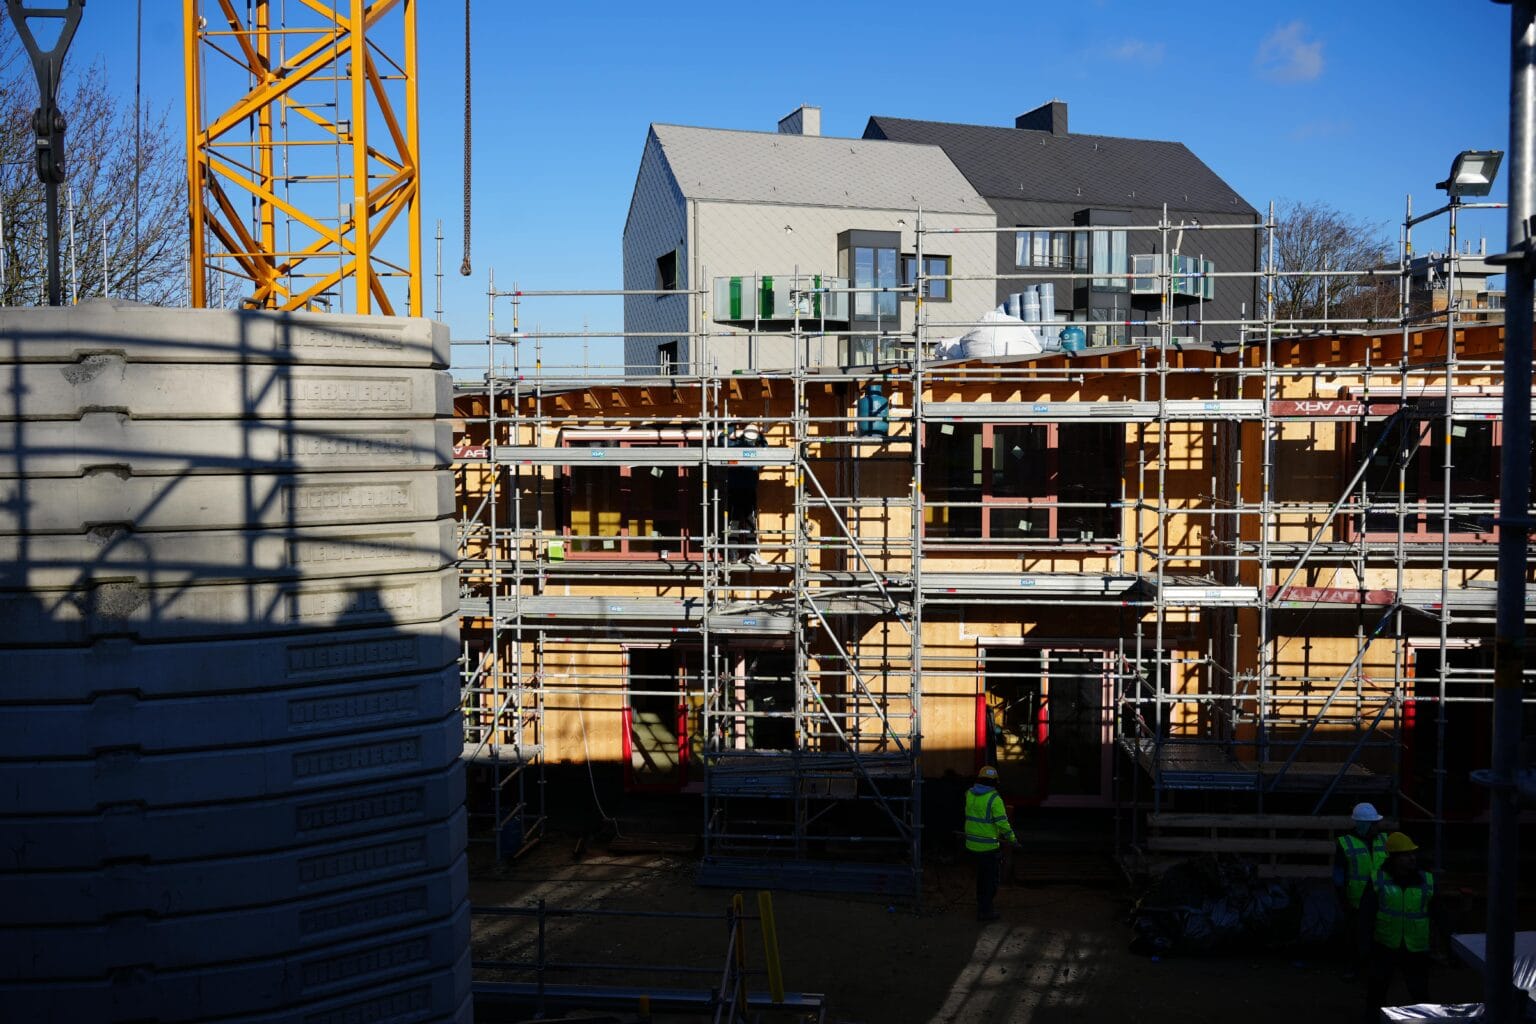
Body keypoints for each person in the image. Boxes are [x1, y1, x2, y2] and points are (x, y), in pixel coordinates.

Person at [1360, 832, 1437, 1014]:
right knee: (1377, 993)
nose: (1412, 858)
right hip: (1385, 945)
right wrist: (1364, 948)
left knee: (1420, 994)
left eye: (1413, 854)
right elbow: (1366, 916)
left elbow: (1438, 913)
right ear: (1394, 858)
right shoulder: (1378, 880)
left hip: (1415, 948)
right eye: (1406, 855)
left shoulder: (1426, 880)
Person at [1333, 802, 1388, 978]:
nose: (1377, 827)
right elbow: (1339, 873)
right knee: (1358, 937)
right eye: (1373, 824)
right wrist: (1343, 898)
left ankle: (1374, 969)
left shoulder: (1385, 840)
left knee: (1378, 936)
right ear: (1364, 824)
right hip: (1357, 900)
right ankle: (1357, 968)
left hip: (1381, 899)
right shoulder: (1345, 843)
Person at [963, 765, 1018, 922]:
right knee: (991, 881)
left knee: (981, 878)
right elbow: (1002, 824)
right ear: (995, 782)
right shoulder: (994, 799)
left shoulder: (969, 794)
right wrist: (1013, 839)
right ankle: (985, 911)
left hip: (972, 844)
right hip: (988, 847)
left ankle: (982, 905)